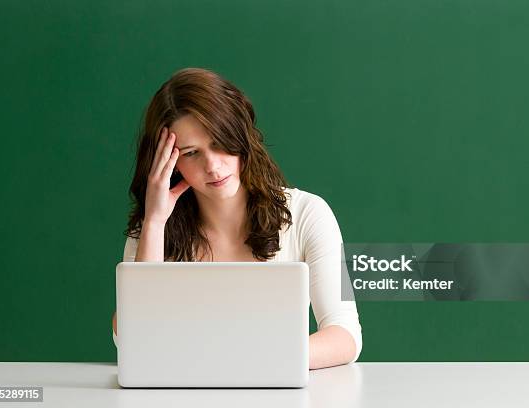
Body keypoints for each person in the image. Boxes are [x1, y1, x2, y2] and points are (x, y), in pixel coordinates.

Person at [112, 67, 362, 369]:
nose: (214, 167)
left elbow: (345, 336)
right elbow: (131, 339)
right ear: (170, 163)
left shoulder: (307, 214)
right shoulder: (152, 228)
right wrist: (153, 223)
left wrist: (246, 360)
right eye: (191, 153)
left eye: (220, 142)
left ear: (240, 136)